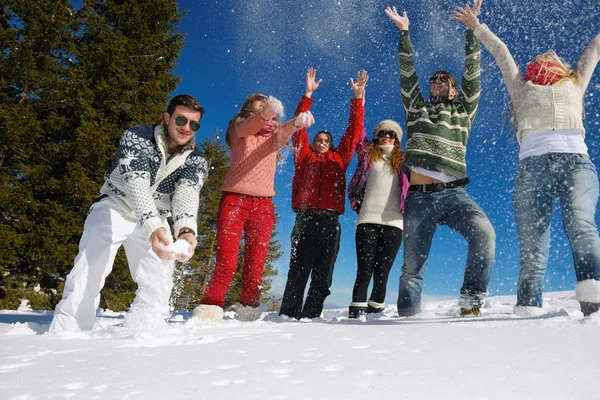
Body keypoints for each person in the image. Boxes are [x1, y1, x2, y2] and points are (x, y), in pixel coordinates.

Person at [454, 3, 600, 317]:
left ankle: (594, 301)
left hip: (577, 164)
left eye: (551, 58)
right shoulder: (521, 87)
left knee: (581, 226)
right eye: (539, 58)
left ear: (561, 67)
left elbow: (596, 48)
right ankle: (528, 310)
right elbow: (501, 51)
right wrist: (476, 26)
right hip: (532, 169)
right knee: (533, 247)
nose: (544, 59)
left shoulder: (575, 83)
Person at [49, 94, 209, 332]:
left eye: (193, 124)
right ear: (167, 118)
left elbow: (187, 193)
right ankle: (69, 331)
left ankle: (142, 332)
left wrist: (186, 230)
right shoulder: (138, 137)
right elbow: (136, 183)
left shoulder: (196, 159)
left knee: (158, 280)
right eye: (181, 120)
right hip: (115, 206)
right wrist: (153, 226)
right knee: (90, 267)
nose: (186, 128)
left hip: (157, 217)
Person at [385, 2, 496, 317]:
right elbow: (408, 75)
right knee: (411, 268)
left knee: (484, 233)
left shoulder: (464, 110)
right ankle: (407, 319)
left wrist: (472, 30)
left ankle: (471, 304)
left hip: (456, 195)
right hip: (419, 197)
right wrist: (405, 34)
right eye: (434, 78)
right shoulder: (416, 108)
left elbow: (472, 72)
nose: (437, 81)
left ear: (454, 90)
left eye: (444, 79)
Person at [192, 93, 315, 322]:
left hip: (263, 207)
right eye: (260, 107)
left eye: (269, 108)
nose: (266, 111)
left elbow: (287, 129)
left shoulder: (275, 137)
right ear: (249, 108)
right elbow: (248, 126)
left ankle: (248, 311)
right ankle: (210, 307)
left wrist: (297, 123)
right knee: (226, 263)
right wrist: (264, 114)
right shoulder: (238, 129)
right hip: (234, 201)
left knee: (255, 265)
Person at [279, 68, 367, 320]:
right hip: (304, 219)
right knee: (297, 270)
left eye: (326, 140)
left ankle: (311, 317)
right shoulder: (303, 157)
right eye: (318, 138)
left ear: (331, 144)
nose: (321, 141)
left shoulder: (339, 159)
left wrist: (358, 99)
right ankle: (287, 316)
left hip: (330, 222)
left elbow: (353, 132)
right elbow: (299, 126)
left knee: (323, 274)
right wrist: (307, 95)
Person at [347, 120, 409, 318]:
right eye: (383, 132)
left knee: (382, 274)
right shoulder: (367, 156)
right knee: (364, 272)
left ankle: (375, 316)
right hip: (367, 221)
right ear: (376, 135)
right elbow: (358, 131)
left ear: (398, 139)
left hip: (394, 224)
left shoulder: (405, 162)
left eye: (393, 134)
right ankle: (356, 315)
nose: (388, 136)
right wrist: (359, 100)